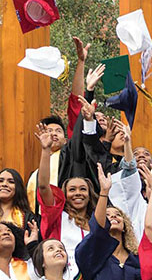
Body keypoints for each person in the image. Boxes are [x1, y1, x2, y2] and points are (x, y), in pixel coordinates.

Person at [26, 39, 100, 209]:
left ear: (67, 139)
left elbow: (76, 105)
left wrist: (81, 62)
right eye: (48, 130)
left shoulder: (72, 156)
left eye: (58, 131)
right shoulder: (35, 174)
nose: (53, 133)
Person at [36, 123, 97, 280]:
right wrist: (46, 150)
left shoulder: (96, 221)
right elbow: (43, 186)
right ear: (64, 194)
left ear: (90, 194)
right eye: (72, 190)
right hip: (64, 278)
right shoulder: (57, 216)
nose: (78, 193)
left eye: (83, 189)